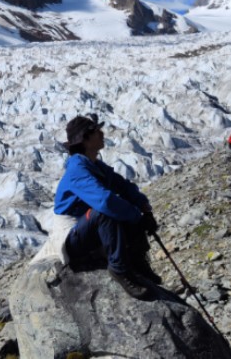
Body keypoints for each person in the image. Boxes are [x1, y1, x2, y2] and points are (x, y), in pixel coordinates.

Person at [54, 113, 162, 300]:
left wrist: (144, 207)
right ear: (85, 140)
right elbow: (105, 201)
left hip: (86, 228)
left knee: (119, 208)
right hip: (71, 235)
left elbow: (123, 186)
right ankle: (119, 269)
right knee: (105, 212)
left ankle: (137, 262)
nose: (102, 133)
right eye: (97, 131)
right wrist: (137, 217)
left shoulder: (93, 164)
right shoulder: (77, 170)